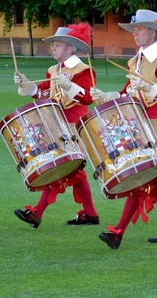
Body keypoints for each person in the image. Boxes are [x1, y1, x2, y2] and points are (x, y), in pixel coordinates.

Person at [91, 9, 157, 249]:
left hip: (155, 123)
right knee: (153, 180)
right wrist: (106, 96)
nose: (135, 33)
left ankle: (118, 231)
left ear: (153, 32)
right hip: (137, 124)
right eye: (134, 29)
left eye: (139, 29)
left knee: (140, 175)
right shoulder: (136, 59)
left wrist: (150, 88)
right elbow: (127, 93)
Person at [13, 24, 100, 229]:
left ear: (70, 48)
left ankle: (36, 212)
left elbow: (87, 98)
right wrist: (27, 85)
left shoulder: (83, 69)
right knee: (72, 171)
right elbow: (44, 94)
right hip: (56, 125)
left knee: (61, 167)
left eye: (57, 45)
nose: (53, 48)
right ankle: (90, 214)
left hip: (74, 127)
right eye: (53, 45)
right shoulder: (53, 70)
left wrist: (69, 86)